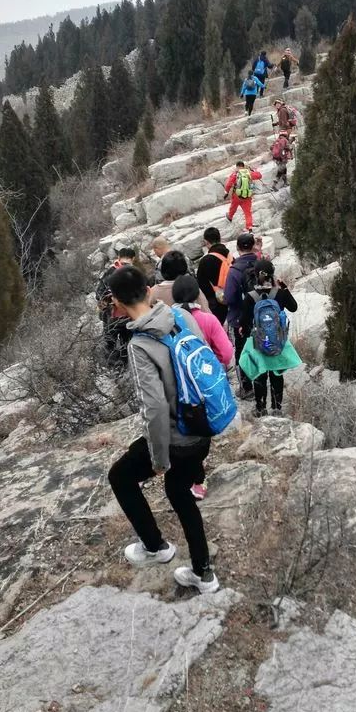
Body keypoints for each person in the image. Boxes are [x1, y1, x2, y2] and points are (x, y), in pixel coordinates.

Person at [107, 266, 219, 593]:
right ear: (149, 289)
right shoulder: (181, 317)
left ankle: (155, 547)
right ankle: (203, 572)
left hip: (177, 438)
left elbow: (154, 408)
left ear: (116, 301)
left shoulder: (140, 344)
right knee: (179, 492)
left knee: (121, 476)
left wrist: (158, 458)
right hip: (203, 425)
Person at [171, 273, 234, 503]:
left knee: (187, 427)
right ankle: (198, 479)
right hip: (205, 386)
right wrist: (215, 367)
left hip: (179, 388)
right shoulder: (207, 320)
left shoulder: (171, 321)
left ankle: (192, 478)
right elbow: (227, 353)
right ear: (198, 294)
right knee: (204, 426)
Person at [238, 259, 300, 417]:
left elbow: (244, 324)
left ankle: (260, 409)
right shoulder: (279, 293)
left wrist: (246, 332)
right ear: (272, 274)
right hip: (278, 343)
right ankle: (277, 408)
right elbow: (294, 307)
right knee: (277, 375)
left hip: (259, 344)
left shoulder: (250, 297)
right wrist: (284, 288)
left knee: (260, 375)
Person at [223, 232, 260, 399]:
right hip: (260, 316)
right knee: (260, 348)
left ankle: (246, 387)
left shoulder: (235, 270)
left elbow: (229, 297)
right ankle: (261, 382)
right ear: (253, 246)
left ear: (237, 248)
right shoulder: (261, 264)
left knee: (241, 352)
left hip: (239, 319)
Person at [95, 247, 138, 366]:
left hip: (111, 315)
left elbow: (99, 293)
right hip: (129, 315)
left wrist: (107, 303)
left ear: (118, 257)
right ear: (133, 258)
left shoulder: (110, 272)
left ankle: (110, 367)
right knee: (127, 342)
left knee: (109, 343)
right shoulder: (135, 273)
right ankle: (125, 367)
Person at [196, 227, 232, 325]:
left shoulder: (205, 261)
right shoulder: (230, 256)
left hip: (216, 304)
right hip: (233, 298)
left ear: (206, 242)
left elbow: (201, 285)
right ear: (219, 238)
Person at [224, 160, 262, 231]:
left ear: (237, 167)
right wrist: (252, 170)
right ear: (243, 166)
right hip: (247, 196)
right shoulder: (249, 173)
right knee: (248, 213)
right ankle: (249, 227)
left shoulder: (235, 174)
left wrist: (226, 192)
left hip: (237, 195)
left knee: (233, 207)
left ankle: (230, 216)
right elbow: (259, 175)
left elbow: (229, 184)